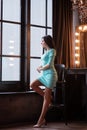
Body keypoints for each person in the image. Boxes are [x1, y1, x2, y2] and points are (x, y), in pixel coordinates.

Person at [30, 35, 58, 128]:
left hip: (50, 75)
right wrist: (39, 67)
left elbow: (49, 65)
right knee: (32, 85)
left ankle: (41, 120)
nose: (41, 42)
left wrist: (41, 68)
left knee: (46, 100)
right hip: (43, 75)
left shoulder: (52, 51)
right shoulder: (45, 52)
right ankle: (49, 97)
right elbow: (43, 64)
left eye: (42, 41)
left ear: (46, 41)